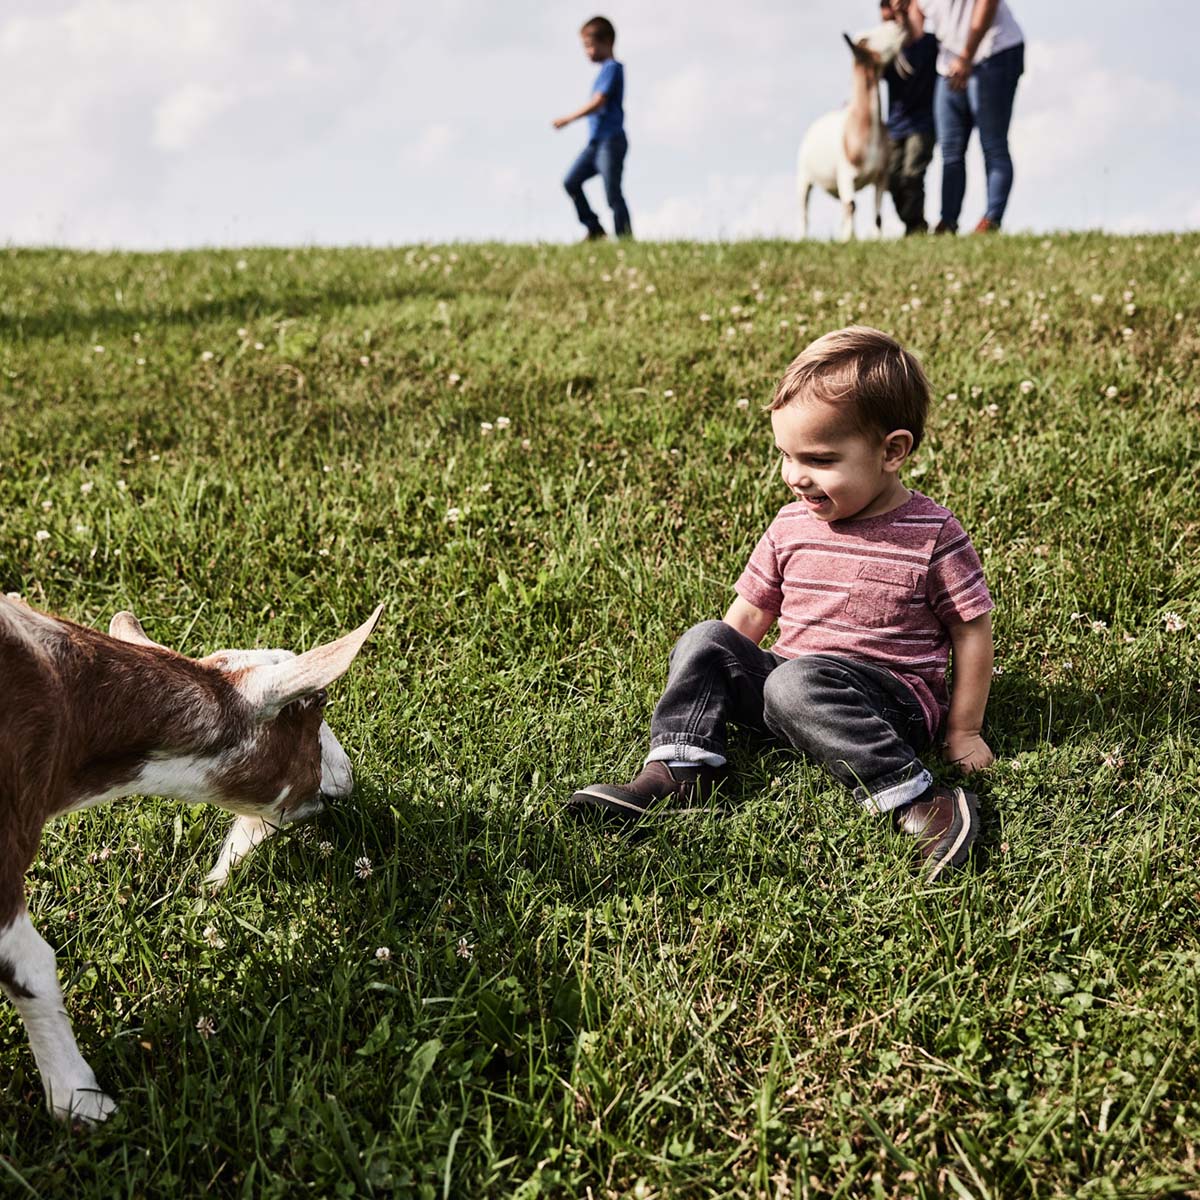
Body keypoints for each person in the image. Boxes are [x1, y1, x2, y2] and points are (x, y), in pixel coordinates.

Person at [569, 327, 996, 879]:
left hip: (885, 706)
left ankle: (917, 797)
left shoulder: (932, 533)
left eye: (819, 459)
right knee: (707, 638)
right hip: (787, 687)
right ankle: (683, 768)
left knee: (795, 683)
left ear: (893, 451)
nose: (796, 477)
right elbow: (746, 617)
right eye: (785, 456)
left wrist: (962, 732)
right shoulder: (790, 524)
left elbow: (972, 633)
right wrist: (718, 682)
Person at [910, 0, 1025, 233]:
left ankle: (992, 219)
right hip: (949, 65)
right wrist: (903, 14)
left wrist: (967, 55)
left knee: (993, 144)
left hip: (994, 53)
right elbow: (916, 32)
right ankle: (948, 221)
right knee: (950, 149)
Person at [552, 16, 631, 241]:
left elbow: (599, 102)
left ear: (606, 41)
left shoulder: (612, 68)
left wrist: (568, 119)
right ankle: (594, 229)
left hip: (611, 141)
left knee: (612, 193)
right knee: (571, 181)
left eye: (589, 45)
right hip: (595, 145)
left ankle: (625, 239)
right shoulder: (604, 71)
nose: (587, 52)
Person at [880, 0, 939, 235]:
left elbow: (915, 32)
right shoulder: (891, 53)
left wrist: (904, 16)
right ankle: (913, 223)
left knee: (912, 174)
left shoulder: (929, 45)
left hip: (922, 123)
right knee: (892, 178)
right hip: (895, 126)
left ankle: (916, 227)